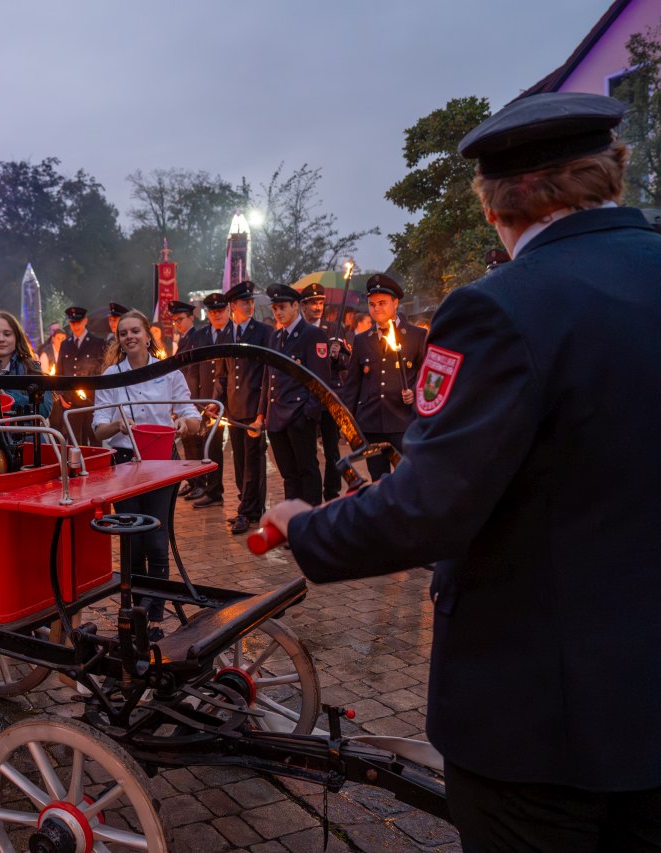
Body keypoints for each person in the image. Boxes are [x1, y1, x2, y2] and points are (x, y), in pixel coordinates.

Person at [263, 92, 661, 850]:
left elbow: (429, 507)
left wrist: (308, 527)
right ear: (611, 174)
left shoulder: (501, 308)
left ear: (495, 203)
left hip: (546, 723)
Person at [91, 310, 201, 642]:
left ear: (147, 334)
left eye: (135, 331)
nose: (129, 337)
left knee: (156, 536)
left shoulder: (167, 371)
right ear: (119, 339)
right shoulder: (112, 374)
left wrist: (184, 424)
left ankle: (155, 615)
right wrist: (118, 425)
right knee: (132, 540)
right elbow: (98, 429)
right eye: (123, 333)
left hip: (161, 459)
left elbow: (191, 414)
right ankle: (135, 608)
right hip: (124, 462)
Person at [340, 275, 427, 481]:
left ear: (395, 303)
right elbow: (353, 384)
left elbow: (428, 376)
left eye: (382, 303)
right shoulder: (362, 340)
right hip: (372, 422)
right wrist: (346, 424)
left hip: (403, 421)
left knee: (408, 478)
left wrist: (414, 391)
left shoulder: (416, 336)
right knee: (378, 480)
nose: (377, 308)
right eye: (372, 304)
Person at [249, 284, 329, 506]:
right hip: (277, 417)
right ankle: (293, 524)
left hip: (299, 414)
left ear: (296, 306)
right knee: (289, 475)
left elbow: (320, 381)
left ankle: (311, 522)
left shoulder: (312, 335)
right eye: (274, 308)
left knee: (307, 471)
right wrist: (261, 414)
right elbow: (268, 379)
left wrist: (309, 414)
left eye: (282, 307)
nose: (278, 313)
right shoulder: (276, 337)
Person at [217, 281, 271, 533]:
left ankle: (246, 512)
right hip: (233, 408)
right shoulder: (227, 334)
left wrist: (262, 411)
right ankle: (250, 507)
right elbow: (223, 374)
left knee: (253, 461)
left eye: (250, 302)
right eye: (244, 303)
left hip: (253, 407)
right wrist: (217, 404)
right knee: (239, 460)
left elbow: (267, 375)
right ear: (233, 306)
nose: (249, 306)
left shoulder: (262, 332)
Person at [301, 282, 350, 501]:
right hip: (306, 396)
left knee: (332, 449)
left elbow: (347, 362)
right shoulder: (299, 331)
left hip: (330, 395)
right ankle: (310, 495)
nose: (317, 307)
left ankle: (332, 493)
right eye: (312, 303)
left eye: (320, 302)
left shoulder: (334, 329)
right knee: (308, 450)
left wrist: (337, 355)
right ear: (303, 306)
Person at [188, 292, 234, 508]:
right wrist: (195, 401)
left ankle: (244, 499)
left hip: (231, 399)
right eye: (212, 311)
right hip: (206, 400)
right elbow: (195, 370)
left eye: (220, 310)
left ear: (228, 310)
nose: (216, 315)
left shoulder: (235, 332)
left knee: (242, 453)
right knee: (211, 446)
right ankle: (213, 490)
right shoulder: (201, 336)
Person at [0, 310, 51, 418]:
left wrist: (7, 396)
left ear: (17, 337)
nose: (0, 339)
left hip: (25, 433)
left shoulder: (32, 368)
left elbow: (44, 409)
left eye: (7, 334)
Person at [54, 306, 106, 445]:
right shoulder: (66, 344)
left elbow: (102, 370)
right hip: (71, 400)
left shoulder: (98, 342)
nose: (75, 326)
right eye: (72, 323)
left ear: (85, 321)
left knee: (94, 438)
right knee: (74, 441)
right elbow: (60, 372)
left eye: (78, 322)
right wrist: (60, 394)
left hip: (91, 400)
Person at [169, 300, 205, 497]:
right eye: (174, 321)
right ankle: (192, 480)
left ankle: (200, 482)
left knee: (196, 443)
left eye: (180, 319)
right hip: (184, 395)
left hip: (195, 394)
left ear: (191, 317)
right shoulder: (183, 339)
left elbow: (197, 369)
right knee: (188, 443)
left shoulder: (198, 337)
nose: (177, 323)